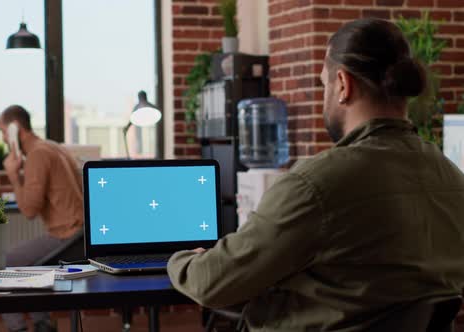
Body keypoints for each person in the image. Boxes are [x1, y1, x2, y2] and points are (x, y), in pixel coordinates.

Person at [167, 18, 464, 331]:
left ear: (343, 85)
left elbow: (211, 282)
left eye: (324, 85)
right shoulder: (453, 180)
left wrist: (180, 260)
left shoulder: (315, 185)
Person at [0, 105, 84, 332]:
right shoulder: (54, 147)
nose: (4, 139)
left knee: (2, 263)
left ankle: (18, 329)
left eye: (3, 132)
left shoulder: (37, 154)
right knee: (31, 266)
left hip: (68, 237)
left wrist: (14, 177)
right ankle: (42, 323)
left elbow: (29, 211)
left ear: (15, 129)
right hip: (81, 235)